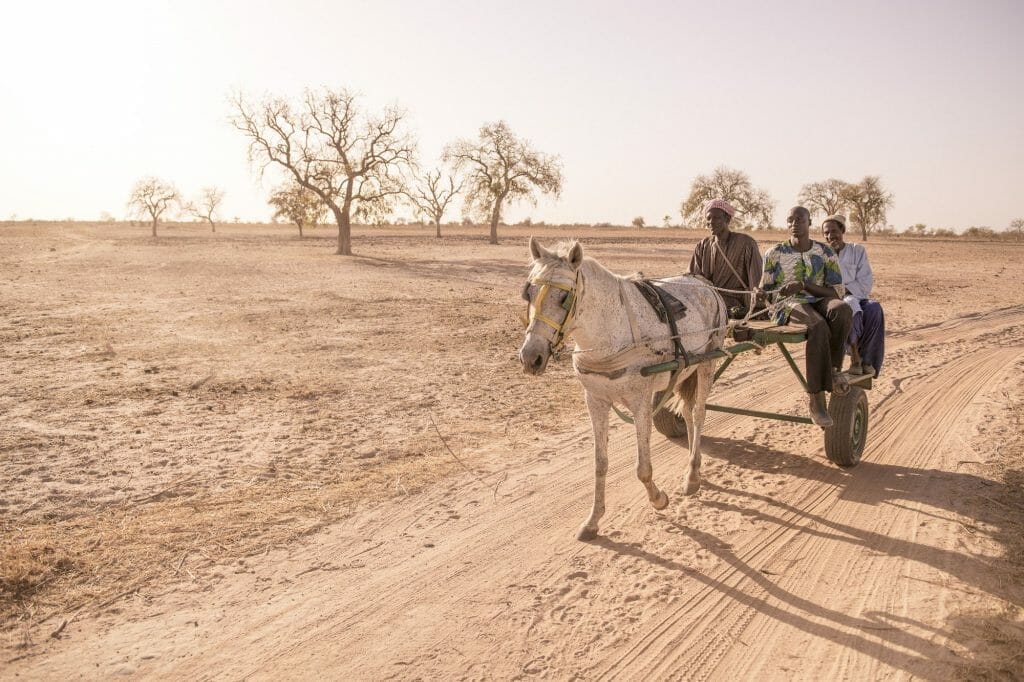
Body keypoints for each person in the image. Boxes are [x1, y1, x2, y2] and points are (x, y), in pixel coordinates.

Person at [759, 206, 852, 427]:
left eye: (799, 219)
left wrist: (803, 285)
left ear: (809, 222)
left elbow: (836, 292)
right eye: (790, 220)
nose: (794, 224)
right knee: (818, 326)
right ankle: (816, 400)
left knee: (842, 310)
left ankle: (833, 370)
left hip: (819, 298)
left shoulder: (824, 252)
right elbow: (767, 291)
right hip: (788, 305)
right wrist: (763, 295)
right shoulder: (774, 253)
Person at [821, 214, 885, 377]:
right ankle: (855, 357)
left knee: (874, 308)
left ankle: (867, 360)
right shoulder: (821, 255)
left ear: (842, 230)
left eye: (834, 231)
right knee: (849, 305)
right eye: (826, 233)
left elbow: (865, 282)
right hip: (833, 300)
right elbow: (822, 284)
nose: (830, 236)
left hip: (857, 295)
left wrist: (843, 290)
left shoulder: (857, 250)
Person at [688, 198, 762, 316]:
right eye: (708, 218)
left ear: (727, 219)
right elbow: (693, 278)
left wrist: (756, 297)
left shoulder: (746, 243)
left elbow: (756, 282)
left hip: (737, 304)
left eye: (716, 218)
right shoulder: (702, 246)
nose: (711, 222)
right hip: (707, 301)